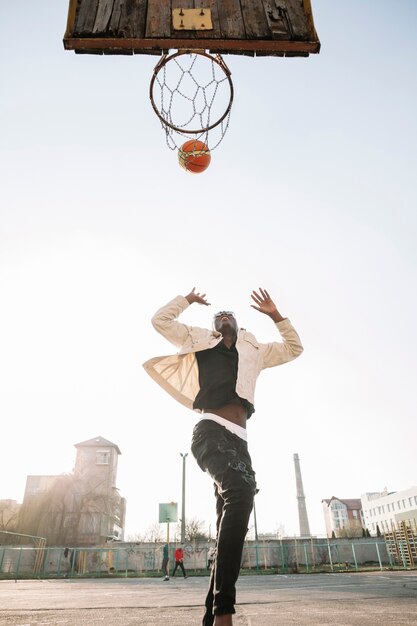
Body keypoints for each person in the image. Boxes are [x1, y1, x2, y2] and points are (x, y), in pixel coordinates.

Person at [143, 288, 303, 626]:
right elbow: (160, 321)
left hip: (240, 442)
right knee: (241, 492)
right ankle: (223, 613)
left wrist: (276, 315)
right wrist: (185, 300)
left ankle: (211, 618)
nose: (224, 315)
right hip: (209, 431)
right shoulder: (201, 339)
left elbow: (294, 349)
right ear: (215, 323)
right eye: (219, 314)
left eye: (230, 313)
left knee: (227, 527)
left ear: (238, 323)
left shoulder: (254, 348)